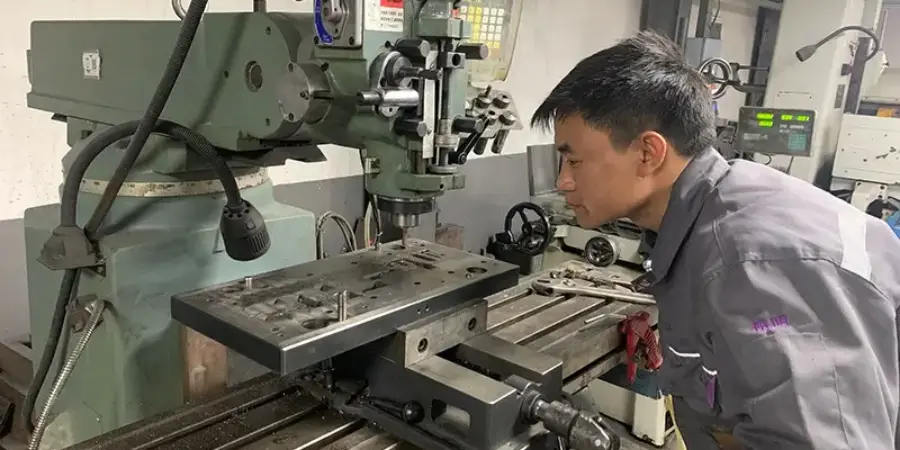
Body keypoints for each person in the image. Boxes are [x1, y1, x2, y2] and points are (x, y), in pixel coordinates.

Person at [531, 30, 900, 449]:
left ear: (649, 153)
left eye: (574, 160)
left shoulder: (753, 266)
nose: (563, 181)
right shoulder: (722, 203)